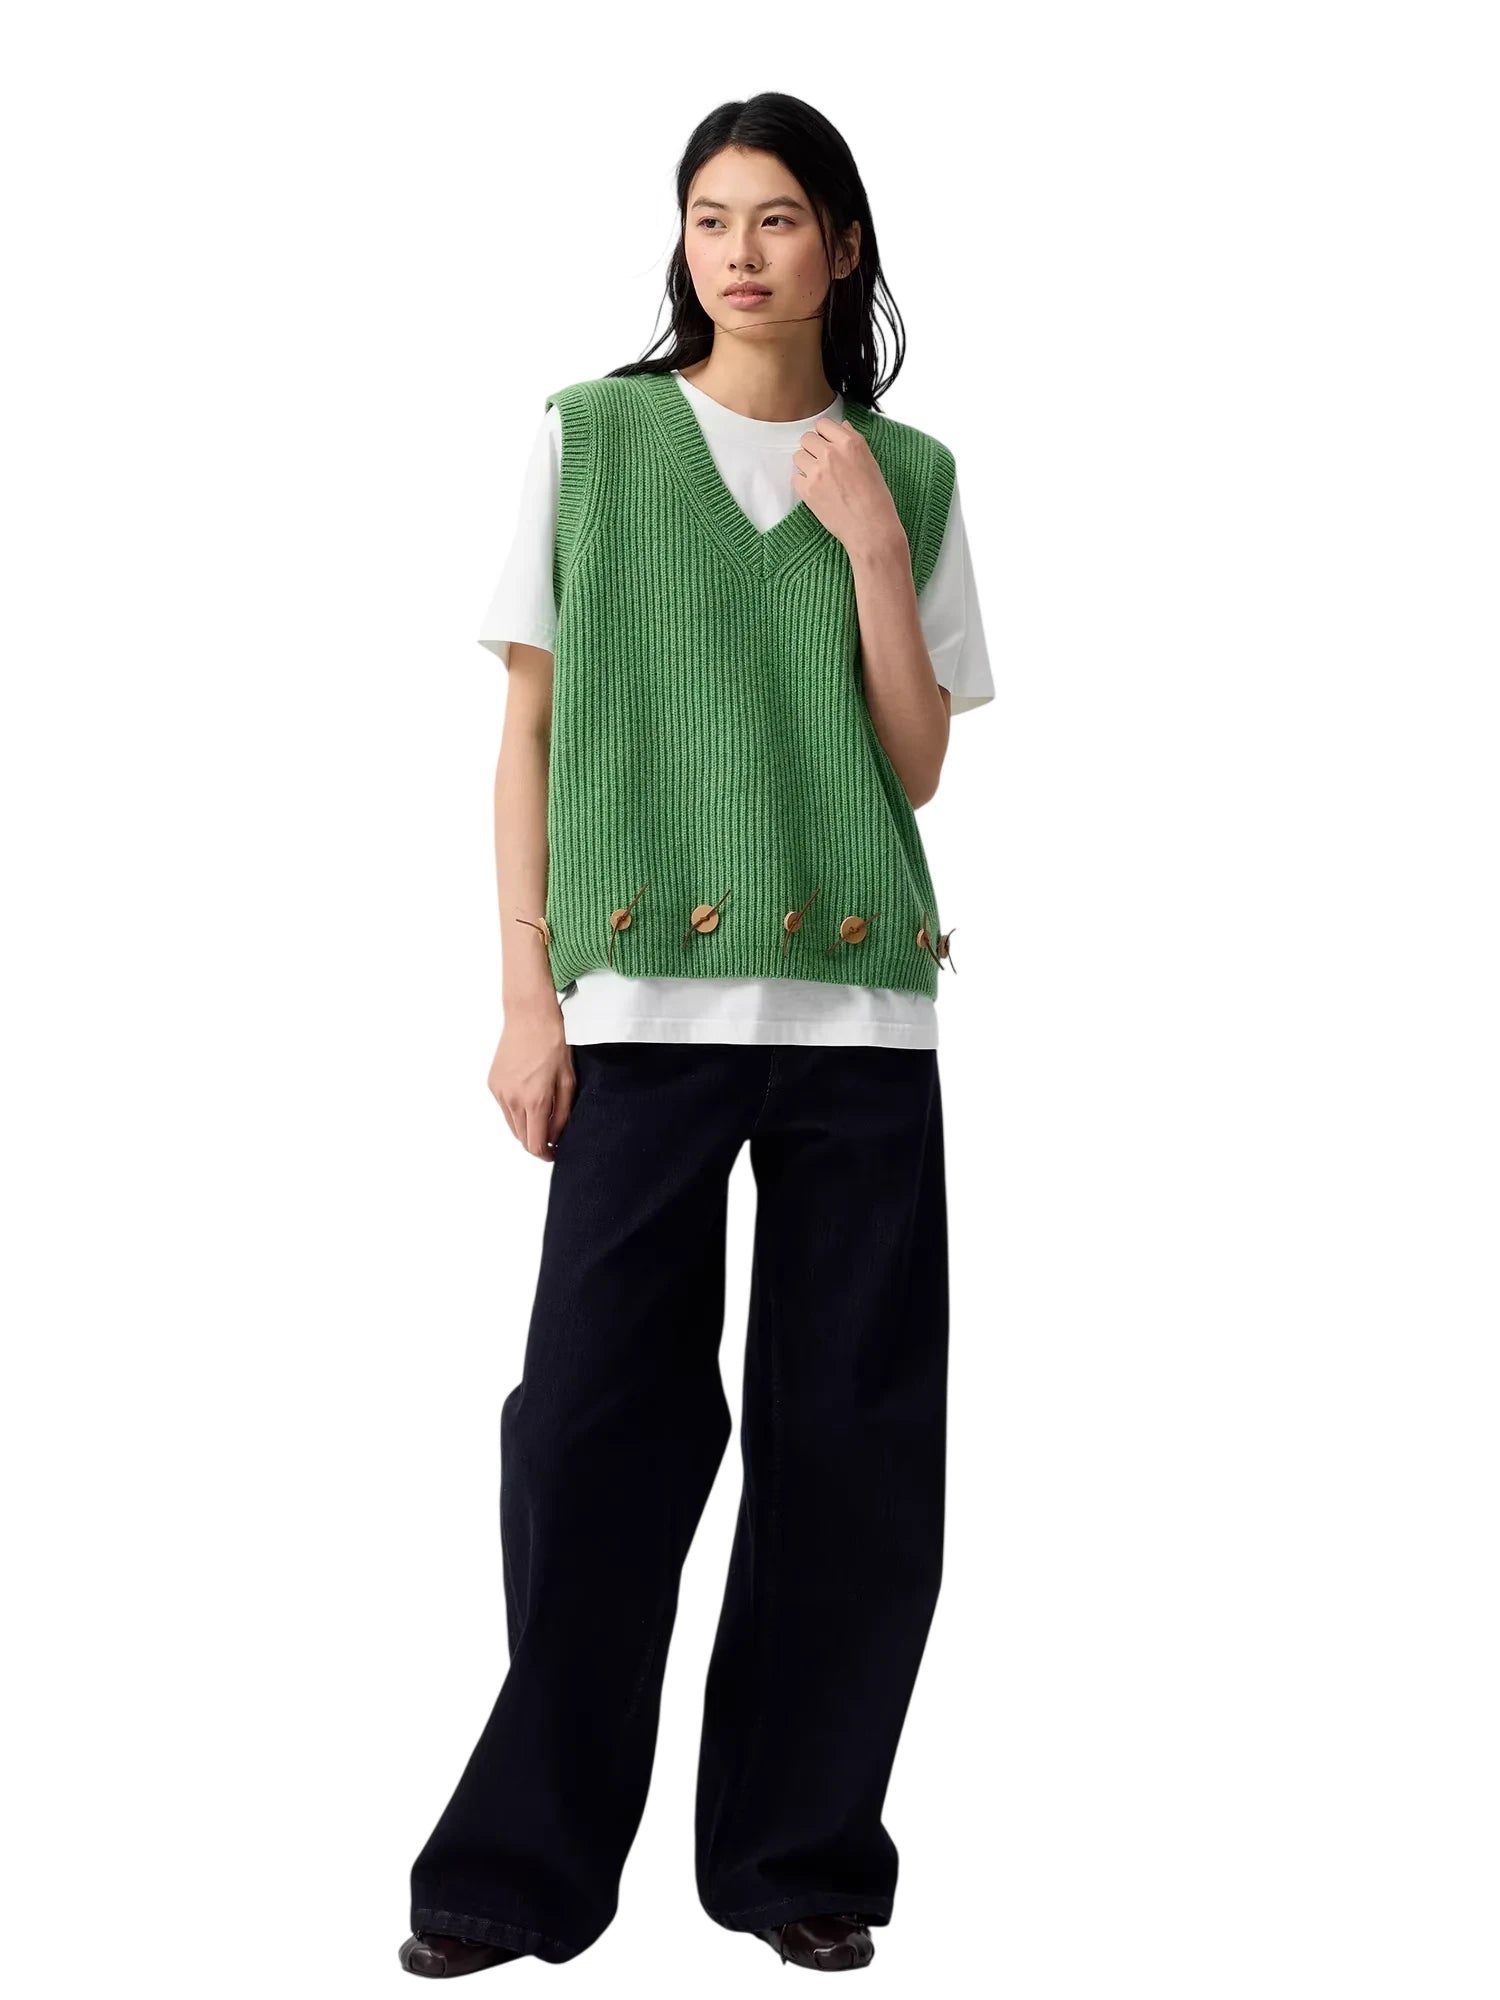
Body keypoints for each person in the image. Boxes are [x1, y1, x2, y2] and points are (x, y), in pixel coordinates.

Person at [400, 90, 993, 1979]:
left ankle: (798, 1855)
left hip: (859, 1016)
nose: (743, 251)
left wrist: (871, 548)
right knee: (591, 1429)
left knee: (855, 1446)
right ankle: (519, 1869)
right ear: (684, 240)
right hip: (637, 1008)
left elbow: (917, 761)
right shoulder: (591, 438)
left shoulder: (911, 472)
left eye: (781, 218)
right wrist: (527, 995)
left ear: (841, 245)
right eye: (713, 217)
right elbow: (528, 731)